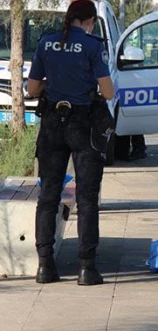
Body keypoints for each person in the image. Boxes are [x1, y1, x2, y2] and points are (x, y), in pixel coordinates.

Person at [27, 0, 115, 285]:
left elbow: (31, 88)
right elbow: (108, 91)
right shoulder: (92, 45)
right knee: (87, 198)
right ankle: (86, 269)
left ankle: (45, 267)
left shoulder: (46, 43)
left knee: (48, 196)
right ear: (88, 21)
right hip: (83, 124)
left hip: (52, 123)